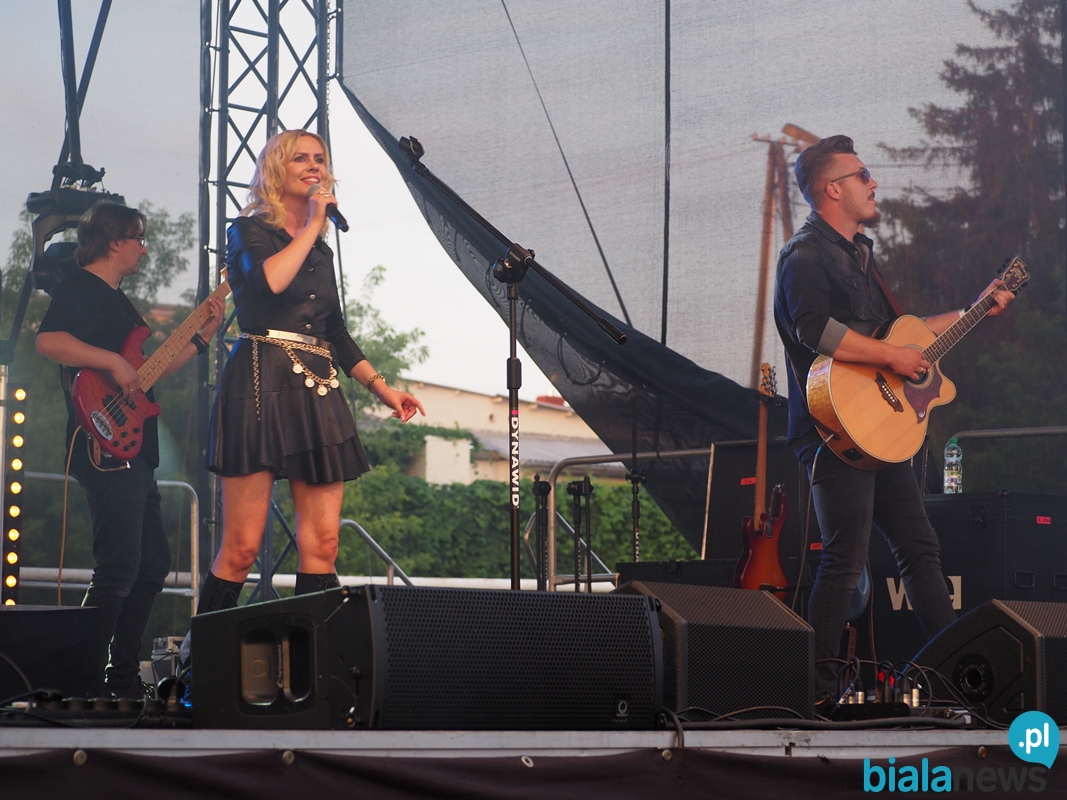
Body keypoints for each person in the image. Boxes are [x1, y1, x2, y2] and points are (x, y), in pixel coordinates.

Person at [772, 135, 1014, 708]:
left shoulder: (859, 255)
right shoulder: (804, 255)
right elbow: (815, 331)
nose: (873, 182)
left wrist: (974, 309)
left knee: (920, 550)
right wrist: (892, 358)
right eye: (862, 175)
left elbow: (905, 340)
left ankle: (955, 680)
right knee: (845, 557)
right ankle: (817, 697)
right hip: (835, 429)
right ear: (833, 189)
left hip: (877, 428)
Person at [197, 130, 424, 614]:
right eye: (300, 158)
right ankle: (205, 651)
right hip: (259, 382)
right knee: (241, 547)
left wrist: (383, 389)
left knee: (323, 544)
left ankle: (312, 658)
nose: (314, 166)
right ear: (275, 169)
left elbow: (335, 330)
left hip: (317, 387)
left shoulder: (320, 250)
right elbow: (270, 283)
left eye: (319, 159)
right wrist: (314, 223)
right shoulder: (248, 231)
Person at [36, 201, 223, 697]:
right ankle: (82, 679)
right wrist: (112, 363)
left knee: (153, 563)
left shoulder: (121, 303)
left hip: (133, 445)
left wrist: (202, 338)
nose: (144, 248)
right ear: (114, 241)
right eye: (138, 238)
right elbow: (48, 342)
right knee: (118, 565)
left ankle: (120, 676)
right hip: (101, 441)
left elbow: (147, 374)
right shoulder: (79, 286)